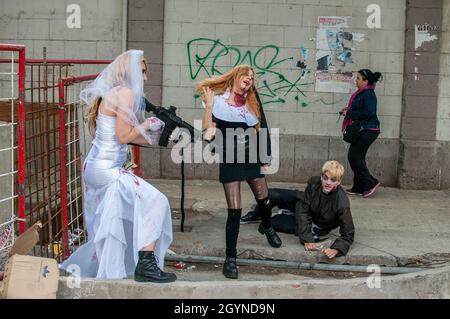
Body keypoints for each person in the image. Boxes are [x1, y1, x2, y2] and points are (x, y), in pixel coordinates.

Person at [60, 50, 177, 283]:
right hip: (106, 169)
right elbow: (124, 136)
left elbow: (123, 137)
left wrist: (158, 135)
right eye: (142, 72)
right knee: (156, 201)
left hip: (98, 166)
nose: (144, 79)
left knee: (124, 211)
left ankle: (128, 265)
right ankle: (145, 264)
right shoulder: (124, 93)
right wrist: (147, 124)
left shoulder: (113, 93)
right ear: (130, 71)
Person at [196, 65, 282, 279]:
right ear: (236, 77)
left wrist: (266, 154)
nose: (250, 80)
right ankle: (231, 259)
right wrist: (208, 108)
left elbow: (262, 127)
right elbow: (207, 134)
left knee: (264, 198)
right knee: (234, 210)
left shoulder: (253, 99)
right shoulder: (216, 101)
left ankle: (268, 226)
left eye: (252, 78)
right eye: (246, 76)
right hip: (230, 159)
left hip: (251, 155)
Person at [241, 161, 355, 258]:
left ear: (339, 181)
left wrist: (337, 249)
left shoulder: (342, 202)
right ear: (321, 176)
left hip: (315, 224)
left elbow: (348, 234)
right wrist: (307, 238)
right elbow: (304, 209)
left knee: (267, 224)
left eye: (333, 180)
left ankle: (280, 217)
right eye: (325, 178)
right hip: (304, 205)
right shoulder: (314, 182)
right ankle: (255, 215)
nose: (328, 182)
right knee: (269, 194)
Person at [341, 69, 382, 198]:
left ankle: (370, 182)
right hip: (364, 129)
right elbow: (361, 109)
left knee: (353, 156)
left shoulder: (368, 94)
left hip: (368, 130)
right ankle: (359, 187)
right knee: (359, 157)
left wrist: (350, 113)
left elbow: (369, 112)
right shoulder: (361, 93)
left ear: (366, 81)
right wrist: (348, 110)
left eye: (358, 78)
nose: (356, 80)